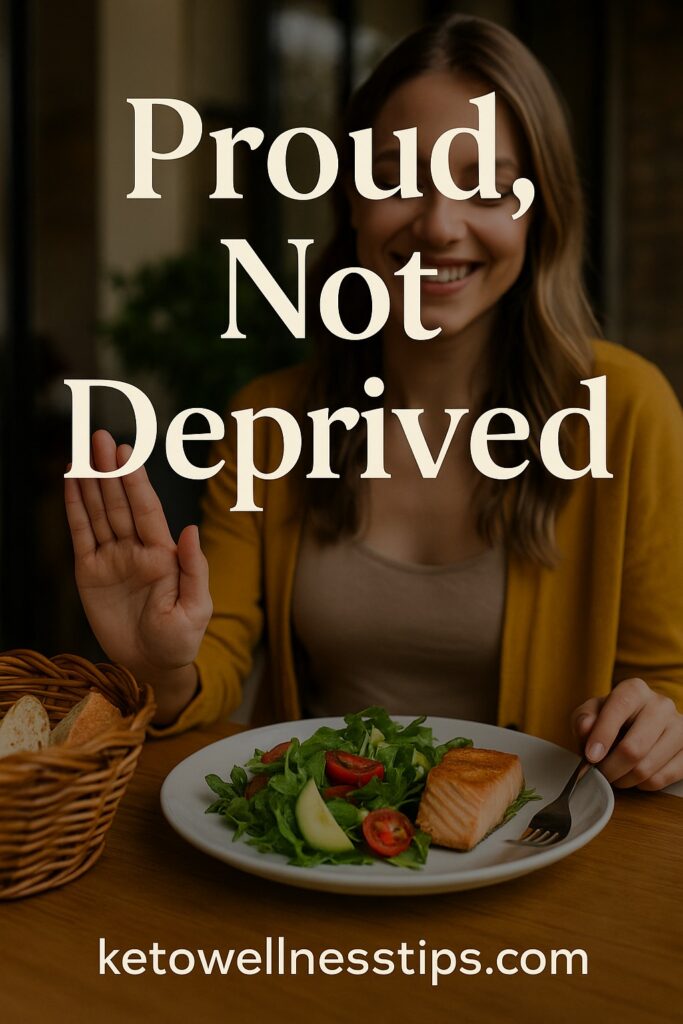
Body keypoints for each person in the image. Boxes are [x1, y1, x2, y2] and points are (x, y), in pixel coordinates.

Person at [65, 14, 683, 789]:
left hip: (542, 868)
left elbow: (666, 685)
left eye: (486, 188)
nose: (439, 224)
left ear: (538, 212)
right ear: (351, 202)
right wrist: (161, 662)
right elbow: (212, 666)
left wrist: (659, 724)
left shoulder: (627, 411)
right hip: (317, 861)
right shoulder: (265, 424)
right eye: (395, 179)